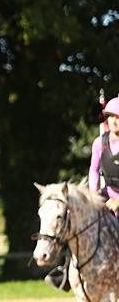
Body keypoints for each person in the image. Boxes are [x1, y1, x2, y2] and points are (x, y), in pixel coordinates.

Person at [48, 95, 119, 291]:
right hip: (104, 195)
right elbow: (94, 171)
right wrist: (92, 196)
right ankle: (64, 272)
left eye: (118, 117)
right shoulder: (99, 143)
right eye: (111, 117)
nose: (113, 121)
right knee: (77, 227)